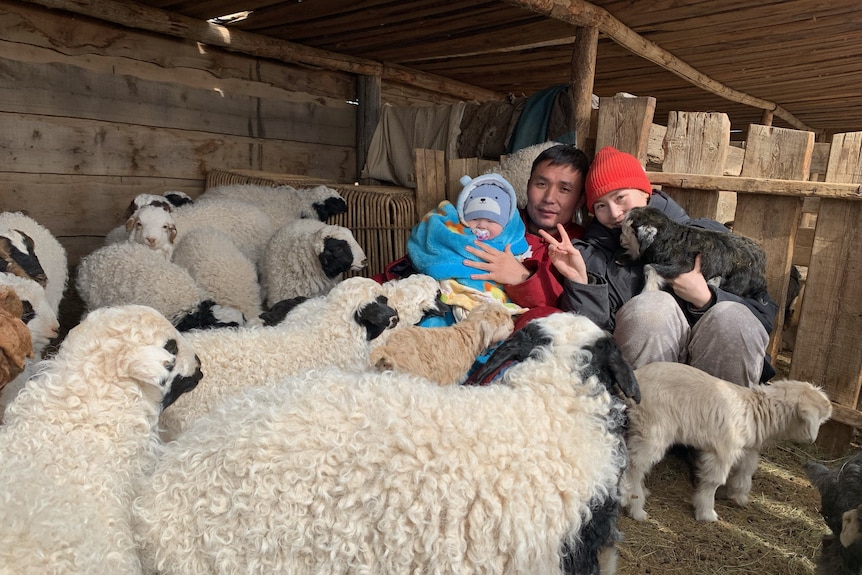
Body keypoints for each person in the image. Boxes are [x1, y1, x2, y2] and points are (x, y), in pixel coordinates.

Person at [541, 146, 778, 387]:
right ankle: (643, 417)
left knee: (732, 318)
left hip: (715, 370)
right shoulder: (595, 256)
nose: (614, 213)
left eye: (620, 197)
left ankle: (726, 419)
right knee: (653, 309)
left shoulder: (707, 236)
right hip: (645, 376)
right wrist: (582, 283)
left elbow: (762, 315)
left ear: (646, 193)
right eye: (600, 206)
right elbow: (593, 333)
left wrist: (708, 299)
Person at [376, 143, 591, 331]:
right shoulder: (493, 221)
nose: (549, 198)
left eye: (564, 189)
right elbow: (435, 257)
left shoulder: (583, 248)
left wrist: (523, 278)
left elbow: (571, 317)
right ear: (527, 186)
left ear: (581, 198)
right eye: (541, 184)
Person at [406, 173, 530, 323]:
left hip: (490, 298)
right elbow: (435, 250)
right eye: (475, 219)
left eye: (491, 220)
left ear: (505, 226)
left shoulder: (510, 245)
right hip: (448, 297)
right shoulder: (455, 235)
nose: (482, 225)